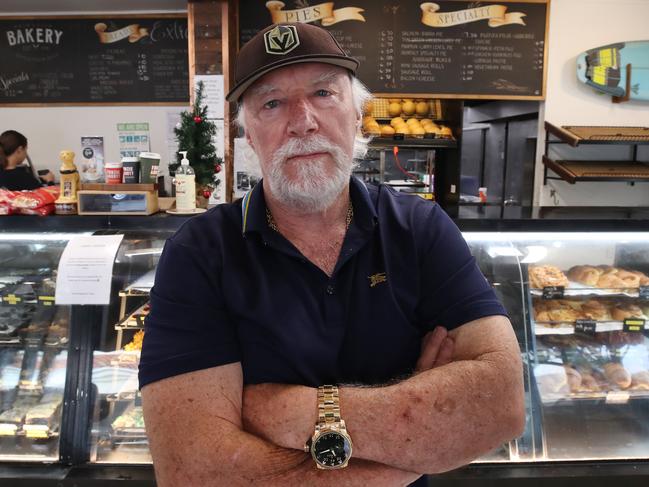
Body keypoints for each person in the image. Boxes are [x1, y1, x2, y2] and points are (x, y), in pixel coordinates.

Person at [139, 22, 524, 486]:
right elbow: (193, 472)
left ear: (357, 115)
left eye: (323, 93)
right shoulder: (200, 253)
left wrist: (287, 410)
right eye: (272, 103)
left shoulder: (420, 229)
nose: (302, 120)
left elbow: (499, 406)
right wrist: (418, 441)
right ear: (249, 134)